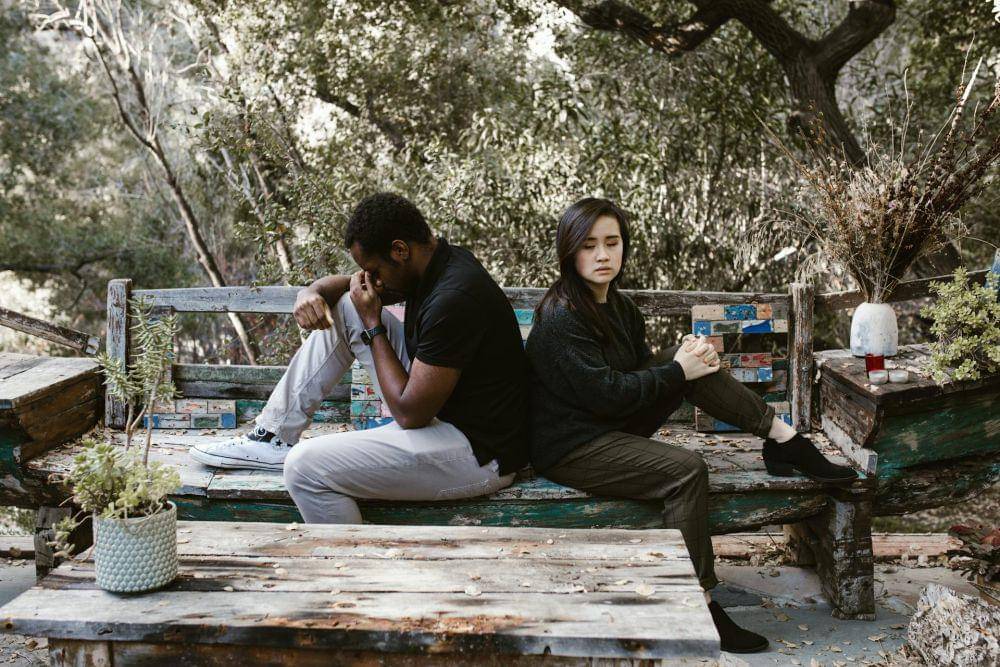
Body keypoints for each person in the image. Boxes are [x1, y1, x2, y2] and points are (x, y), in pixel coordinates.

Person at [525, 197, 857, 654]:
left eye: (612, 243)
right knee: (686, 470)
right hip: (571, 445)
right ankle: (701, 603)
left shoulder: (619, 307)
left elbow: (637, 372)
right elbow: (607, 394)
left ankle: (784, 439)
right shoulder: (562, 317)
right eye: (588, 245)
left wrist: (685, 362)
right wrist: (678, 370)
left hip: (606, 424)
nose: (602, 255)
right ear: (569, 251)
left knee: (689, 363)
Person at [190, 192, 529, 523]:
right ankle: (273, 435)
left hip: (479, 454)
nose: (372, 280)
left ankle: (356, 557)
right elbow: (351, 287)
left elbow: (410, 415)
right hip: (440, 411)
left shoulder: (455, 298)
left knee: (304, 468)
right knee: (349, 305)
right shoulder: (434, 262)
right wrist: (312, 292)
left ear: (400, 250)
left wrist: (373, 325)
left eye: (374, 270)